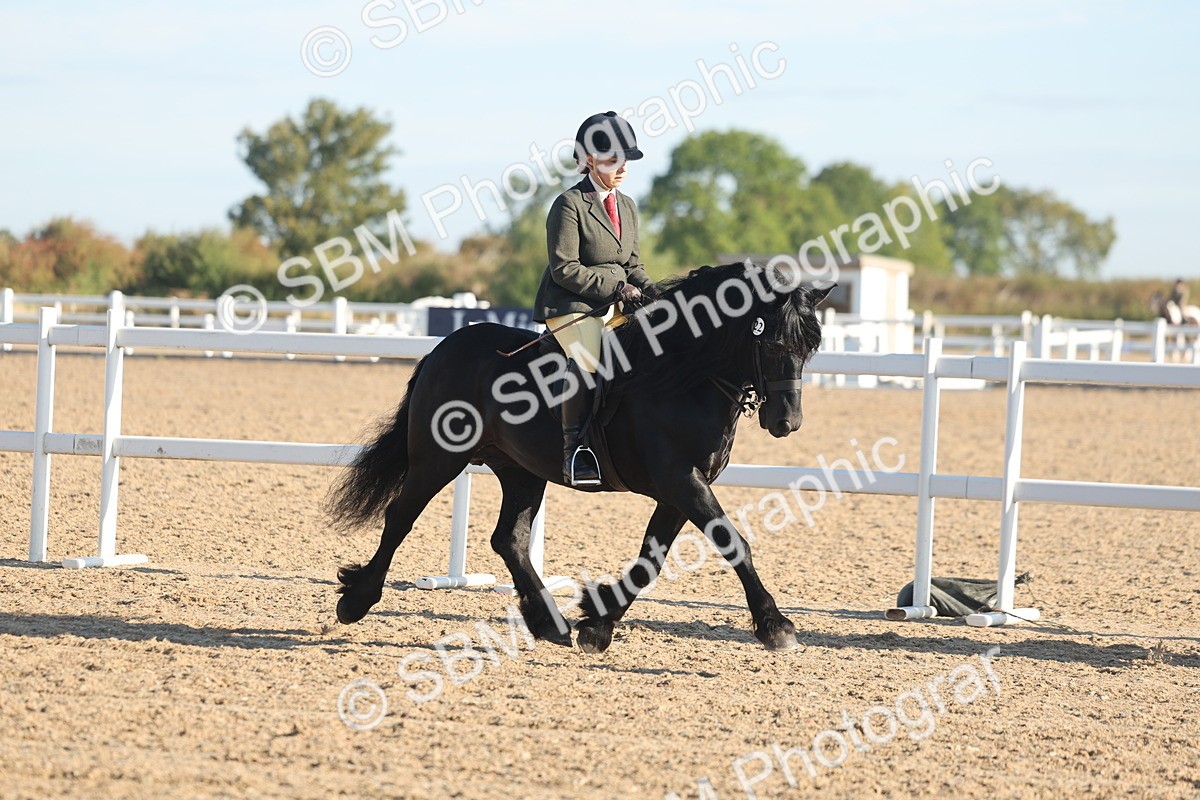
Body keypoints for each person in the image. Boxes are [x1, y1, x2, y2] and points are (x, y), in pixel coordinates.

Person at [532, 111, 659, 486]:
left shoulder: (627, 205)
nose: (622, 168)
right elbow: (564, 268)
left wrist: (658, 294)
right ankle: (575, 452)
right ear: (589, 159)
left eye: (626, 160)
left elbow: (632, 265)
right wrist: (616, 289)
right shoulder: (569, 204)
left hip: (615, 305)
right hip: (571, 305)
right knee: (590, 359)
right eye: (613, 159)